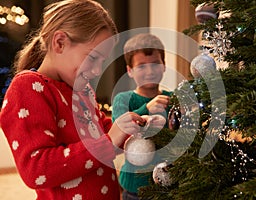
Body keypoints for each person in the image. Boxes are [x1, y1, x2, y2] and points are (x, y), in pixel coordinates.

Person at [0, 1, 162, 199]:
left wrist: (137, 128)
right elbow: (37, 170)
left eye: (101, 62)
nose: (96, 71)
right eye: (92, 58)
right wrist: (110, 142)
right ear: (59, 43)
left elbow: (102, 132)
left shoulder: (81, 91)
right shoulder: (28, 89)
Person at [112, 33, 172, 200]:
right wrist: (147, 108)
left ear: (164, 66)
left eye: (155, 64)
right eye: (141, 66)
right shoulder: (123, 99)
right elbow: (119, 130)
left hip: (169, 186)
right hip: (135, 190)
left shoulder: (173, 98)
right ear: (129, 71)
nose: (149, 71)